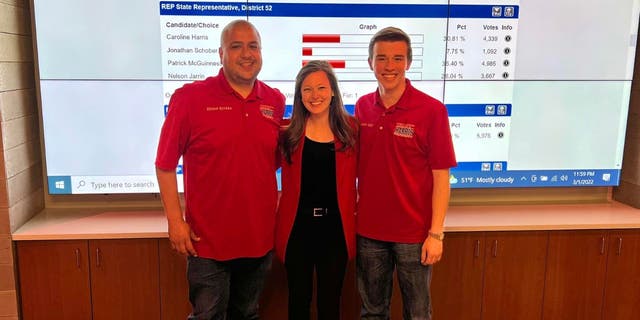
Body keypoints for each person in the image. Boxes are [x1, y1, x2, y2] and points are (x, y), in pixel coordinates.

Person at [155, 19, 285, 320]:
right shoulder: (189, 99)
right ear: (220, 54)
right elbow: (164, 165)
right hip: (207, 242)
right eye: (236, 46)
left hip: (259, 239)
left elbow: (270, 162)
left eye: (253, 46)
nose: (246, 53)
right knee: (208, 315)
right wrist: (175, 222)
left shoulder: (275, 101)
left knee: (247, 313)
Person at [355, 27, 457, 319]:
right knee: (372, 312)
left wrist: (436, 234)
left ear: (408, 63)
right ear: (370, 62)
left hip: (414, 235)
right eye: (382, 58)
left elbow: (441, 177)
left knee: (418, 313)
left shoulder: (432, 111)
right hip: (369, 232)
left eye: (397, 58)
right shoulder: (362, 107)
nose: (389, 66)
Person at [275, 60, 358, 320]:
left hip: (335, 231)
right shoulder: (288, 132)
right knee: (298, 302)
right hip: (297, 230)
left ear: (333, 91)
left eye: (321, 87)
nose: (315, 95)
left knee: (330, 305)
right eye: (307, 89)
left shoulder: (352, 129)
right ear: (299, 95)